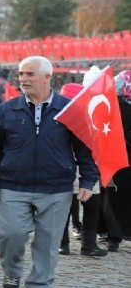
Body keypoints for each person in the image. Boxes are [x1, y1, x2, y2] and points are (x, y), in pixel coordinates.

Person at [0, 56, 98, 288]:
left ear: (46, 77)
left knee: (48, 241)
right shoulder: (5, 110)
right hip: (13, 186)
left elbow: (85, 150)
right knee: (11, 234)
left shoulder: (70, 109)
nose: (23, 79)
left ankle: (40, 286)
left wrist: (87, 181)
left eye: (29, 74)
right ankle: (12, 272)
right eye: (21, 74)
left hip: (56, 189)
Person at [56, 83, 106, 257]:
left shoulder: (85, 116)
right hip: (69, 167)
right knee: (76, 206)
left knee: (85, 205)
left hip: (84, 167)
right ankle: (78, 244)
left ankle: (80, 244)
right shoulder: (64, 117)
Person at [103, 70, 131, 252]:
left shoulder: (114, 103)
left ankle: (113, 236)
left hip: (117, 153)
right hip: (119, 152)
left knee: (114, 196)